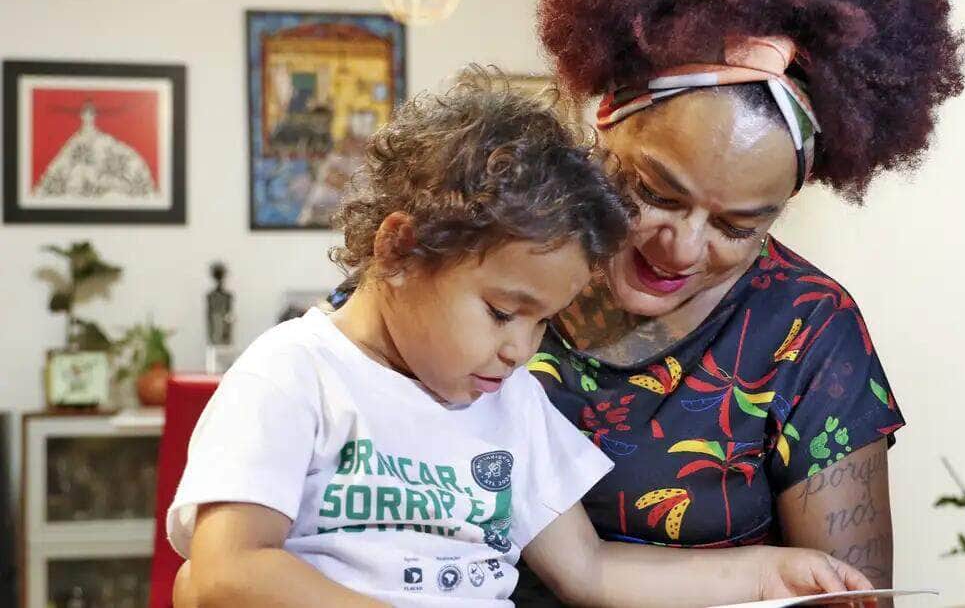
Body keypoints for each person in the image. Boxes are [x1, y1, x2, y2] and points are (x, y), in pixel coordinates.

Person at [167, 69, 873, 607]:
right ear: (401, 251)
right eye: (506, 312)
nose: (523, 350)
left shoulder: (506, 402)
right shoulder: (294, 374)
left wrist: (769, 572)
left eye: (543, 322)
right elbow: (227, 571)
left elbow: (591, 569)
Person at [513, 0, 965, 602]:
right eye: (655, 192)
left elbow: (846, 599)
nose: (682, 248)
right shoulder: (495, 261)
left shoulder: (807, 331)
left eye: (738, 225)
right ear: (605, 118)